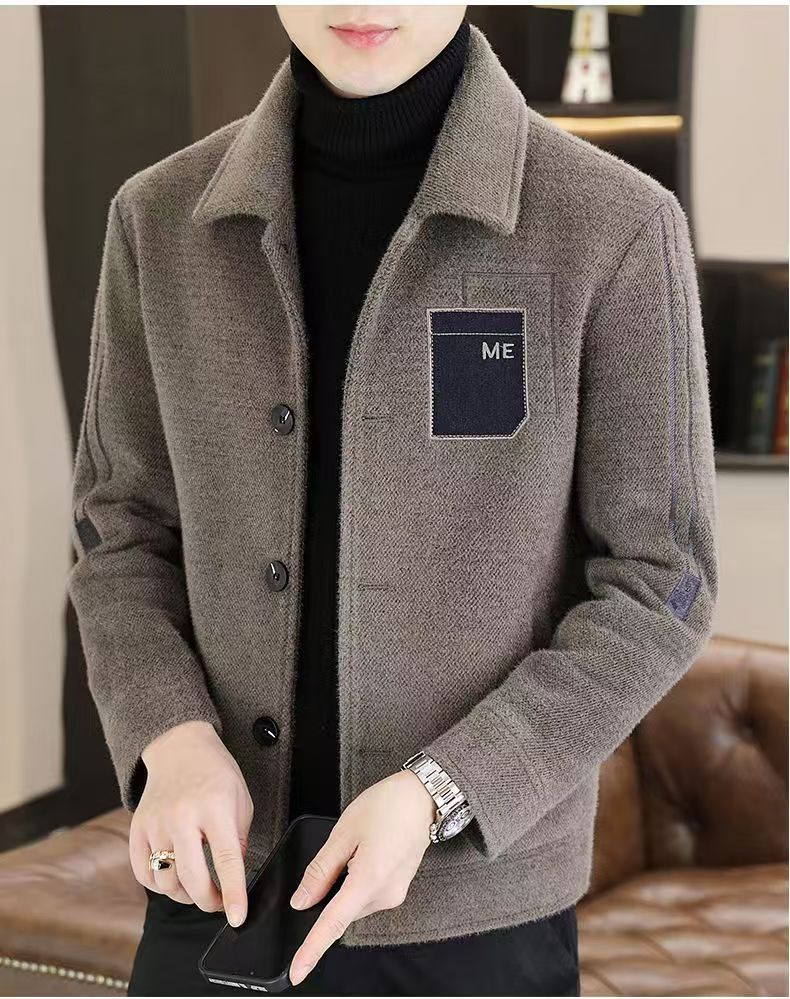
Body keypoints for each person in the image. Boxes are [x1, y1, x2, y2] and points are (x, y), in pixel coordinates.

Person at [68, 6, 718, 997]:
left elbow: (663, 584)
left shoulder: (614, 225)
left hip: (474, 911)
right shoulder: (156, 219)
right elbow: (118, 535)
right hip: (215, 889)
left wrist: (439, 791)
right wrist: (169, 734)